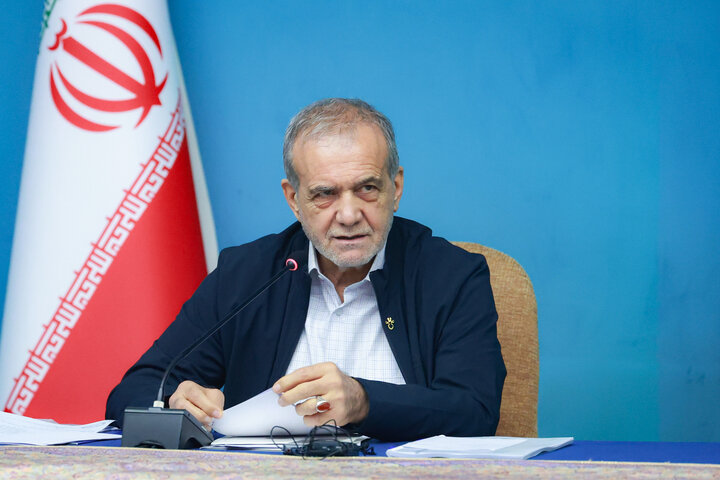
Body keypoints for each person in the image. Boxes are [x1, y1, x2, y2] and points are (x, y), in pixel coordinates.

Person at [106, 98, 506, 441]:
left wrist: (365, 402)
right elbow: (135, 390)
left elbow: (475, 411)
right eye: (325, 194)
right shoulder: (247, 274)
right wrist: (174, 400)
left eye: (367, 188)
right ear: (294, 200)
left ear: (396, 188)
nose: (348, 215)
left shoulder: (452, 275)